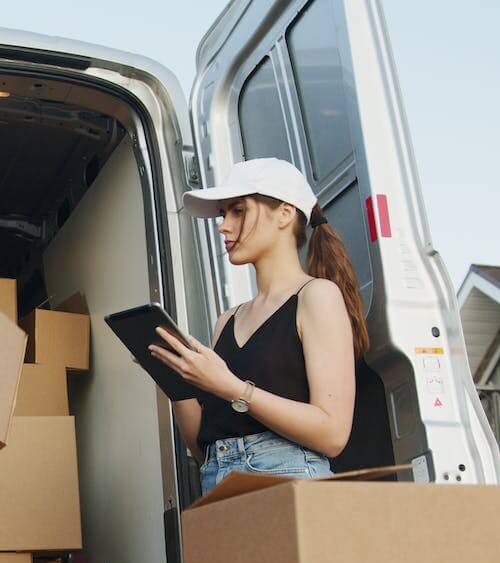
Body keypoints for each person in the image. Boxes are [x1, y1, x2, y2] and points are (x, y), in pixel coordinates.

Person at [148, 158, 368, 495]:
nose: (223, 226)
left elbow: (333, 433)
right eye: (224, 215)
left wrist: (232, 388)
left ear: (284, 213)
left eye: (237, 211)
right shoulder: (227, 320)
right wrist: (173, 379)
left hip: (290, 480)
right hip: (218, 482)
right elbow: (203, 448)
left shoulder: (316, 296)